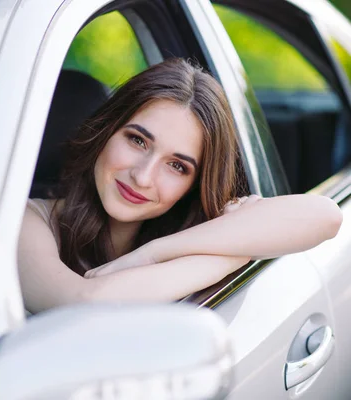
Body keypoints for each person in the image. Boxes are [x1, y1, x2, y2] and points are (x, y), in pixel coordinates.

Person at [18, 58, 343, 315]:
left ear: (195, 183)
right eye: (137, 140)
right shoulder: (27, 221)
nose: (143, 177)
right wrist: (237, 252)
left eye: (177, 166)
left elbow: (326, 216)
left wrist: (155, 252)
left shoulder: (190, 231)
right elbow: (81, 304)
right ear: (106, 131)